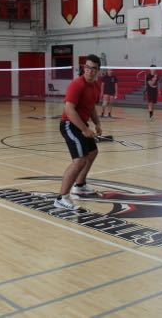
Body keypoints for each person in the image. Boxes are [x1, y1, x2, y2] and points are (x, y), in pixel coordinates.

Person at [54, 54, 102, 210]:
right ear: (84, 68)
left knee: (93, 152)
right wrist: (84, 129)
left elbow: (92, 106)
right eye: (87, 67)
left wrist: (97, 123)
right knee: (79, 160)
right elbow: (69, 109)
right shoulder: (77, 84)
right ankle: (61, 198)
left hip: (82, 124)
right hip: (69, 124)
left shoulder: (95, 86)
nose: (89, 71)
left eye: (93, 68)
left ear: (98, 71)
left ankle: (80, 186)